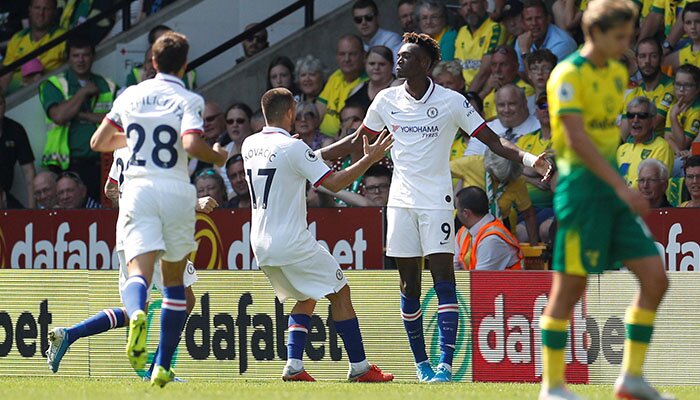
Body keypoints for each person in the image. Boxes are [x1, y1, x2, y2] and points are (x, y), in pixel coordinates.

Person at [319, 32, 550, 383]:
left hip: (437, 202)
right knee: (409, 286)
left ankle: (445, 364)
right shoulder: (385, 99)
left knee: (444, 280)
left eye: (406, 56)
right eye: (398, 55)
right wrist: (310, 156)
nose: (399, 61)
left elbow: (493, 140)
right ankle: (422, 365)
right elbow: (356, 142)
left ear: (425, 63)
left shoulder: (451, 101)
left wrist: (532, 158)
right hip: (399, 203)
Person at [540, 1, 674, 399]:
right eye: (619, 38)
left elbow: (605, 135)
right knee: (569, 291)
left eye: (629, 38)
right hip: (582, 193)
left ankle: (631, 379)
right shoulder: (566, 75)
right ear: (594, 34)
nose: (626, 47)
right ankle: (552, 387)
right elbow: (577, 139)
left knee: (656, 280)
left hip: (612, 188)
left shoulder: (617, 73)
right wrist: (620, 187)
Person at [89, 31, 228, 387]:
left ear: (151, 61)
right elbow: (192, 144)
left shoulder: (130, 95)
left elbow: (98, 142)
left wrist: (135, 138)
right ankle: (163, 364)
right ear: (185, 64)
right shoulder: (188, 98)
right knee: (174, 283)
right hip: (176, 190)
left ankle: (136, 314)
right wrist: (218, 155)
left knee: (138, 269)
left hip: (138, 189)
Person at [242, 87, 394, 382]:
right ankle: (360, 368)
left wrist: (301, 150)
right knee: (340, 292)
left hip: (260, 243)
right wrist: (369, 159)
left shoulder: (250, 144)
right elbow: (334, 184)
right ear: (290, 112)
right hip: (291, 241)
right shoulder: (294, 149)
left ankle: (294, 366)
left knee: (306, 296)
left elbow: (287, 162)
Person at [45, 145, 211, 378]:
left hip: (126, 236)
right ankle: (159, 369)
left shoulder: (122, 149)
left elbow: (110, 188)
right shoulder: (159, 145)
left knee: (137, 309)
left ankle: (70, 334)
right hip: (157, 233)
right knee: (184, 300)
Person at [39, 34, 118, 201]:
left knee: (100, 217)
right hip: (66, 167)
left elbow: (120, 120)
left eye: (85, 55)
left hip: (102, 165)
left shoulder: (108, 85)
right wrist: (83, 92)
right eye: (75, 55)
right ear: (68, 58)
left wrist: (83, 116)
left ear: (93, 56)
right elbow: (59, 116)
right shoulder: (53, 84)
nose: (81, 60)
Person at [0, 0, 66, 94]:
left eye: (46, 9)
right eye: (37, 8)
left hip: (48, 93)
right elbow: (6, 77)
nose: (41, 13)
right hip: (15, 101)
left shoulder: (63, 37)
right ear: (30, 10)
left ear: (54, 12)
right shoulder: (17, 38)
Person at [515, 93, 554, 244]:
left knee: (547, 229)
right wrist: (534, 181)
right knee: (520, 233)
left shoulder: (565, 138)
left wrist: (526, 167)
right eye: (542, 106)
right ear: (536, 111)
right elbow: (513, 169)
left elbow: (543, 167)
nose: (547, 110)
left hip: (552, 206)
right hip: (524, 207)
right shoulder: (525, 139)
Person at [454, 186, 524, 270]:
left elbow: (481, 280)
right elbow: (453, 268)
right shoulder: (463, 232)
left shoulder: (492, 240)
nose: (456, 213)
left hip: (504, 283)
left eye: (457, 209)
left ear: (466, 213)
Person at [621, 39, 675, 140]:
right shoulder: (633, 94)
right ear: (636, 61)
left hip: (666, 149)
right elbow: (624, 135)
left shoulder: (672, 87)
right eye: (642, 56)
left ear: (661, 58)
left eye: (653, 56)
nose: (647, 61)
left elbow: (652, 125)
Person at [618, 97, 675, 187]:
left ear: (653, 121)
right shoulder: (622, 148)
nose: (635, 120)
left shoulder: (661, 147)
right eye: (631, 116)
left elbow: (654, 186)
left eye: (642, 116)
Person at [317, 34, 367, 137]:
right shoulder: (336, 75)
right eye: (342, 54)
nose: (347, 59)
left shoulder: (368, 83)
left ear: (363, 56)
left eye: (352, 54)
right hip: (322, 138)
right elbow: (318, 112)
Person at [454, 0, 507, 93]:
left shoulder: (495, 28)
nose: (469, 8)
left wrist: (468, 98)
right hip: (466, 93)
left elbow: (485, 72)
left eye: (474, 3)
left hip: (489, 92)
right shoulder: (462, 31)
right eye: (464, 5)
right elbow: (457, 66)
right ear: (460, 11)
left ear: (485, 5)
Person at [515, 0, 577, 72]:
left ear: (548, 19)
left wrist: (525, 52)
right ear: (523, 22)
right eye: (529, 19)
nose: (534, 23)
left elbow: (540, 79)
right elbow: (520, 73)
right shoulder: (523, 40)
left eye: (538, 18)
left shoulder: (562, 43)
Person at [479, 45, 536, 119]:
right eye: (494, 64)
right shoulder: (490, 89)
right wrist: (484, 92)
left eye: (503, 65)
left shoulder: (525, 90)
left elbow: (510, 119)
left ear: (516, 67)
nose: (497, 70)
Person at [0, 92, 36, 208]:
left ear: (5, 104)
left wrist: (32, 209)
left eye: (0, 103)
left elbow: (29, 172)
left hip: (4, 195)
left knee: (20, 220)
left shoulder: (15, 130)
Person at [665, 64, 700, 176]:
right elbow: (668, 137)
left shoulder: (697, 109)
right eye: (678, 84)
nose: (681, 89)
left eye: (687, 85)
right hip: (679, 154)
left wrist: (673, 118)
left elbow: (683, 144)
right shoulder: (673, 107)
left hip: (692, 158)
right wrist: (678, 152)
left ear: (697, 88)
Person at [346, 46, 399, 111]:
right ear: (365, 64)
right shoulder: (358, 89)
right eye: (372, 64)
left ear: (392, 65)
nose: (376, 68)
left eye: (382, 64)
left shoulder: (399, 90)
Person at [662, 3, 700, 72]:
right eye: (688, 23)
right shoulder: (683, 54)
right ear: (684, 27)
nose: (693, 27)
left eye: (698, 22)